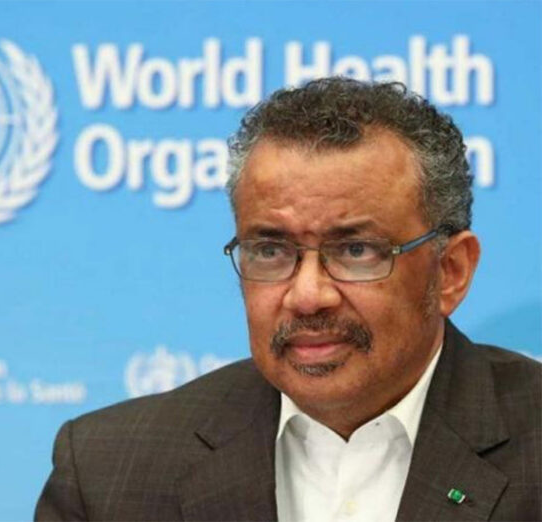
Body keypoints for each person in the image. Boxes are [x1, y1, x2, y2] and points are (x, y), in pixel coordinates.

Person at [35, 78, 541, 521]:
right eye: (271, 251)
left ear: (450, 272)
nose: (307, 296)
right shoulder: (109, 473)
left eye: (356, 250)